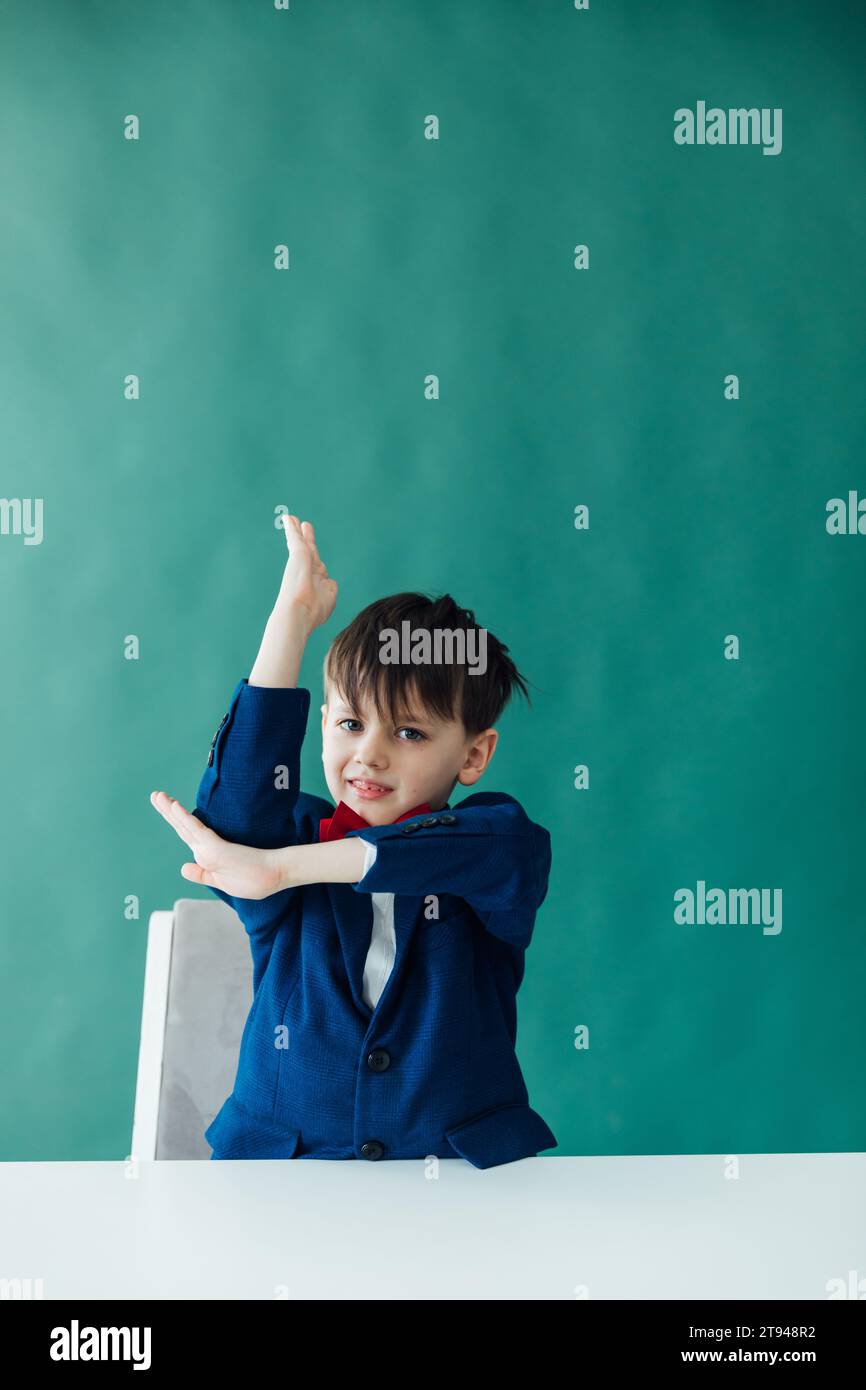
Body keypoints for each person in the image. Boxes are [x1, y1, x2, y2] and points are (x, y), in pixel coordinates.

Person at [150, 515, 557, 1168]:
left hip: (457, 1188)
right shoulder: (287, 837)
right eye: (349, 722)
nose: (367, 755)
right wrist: (292, 618)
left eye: (410, 734)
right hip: (286, 1180)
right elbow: (233, 814)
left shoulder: (492, 847)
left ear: (474, 754)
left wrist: (283, 870)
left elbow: (483, 849)